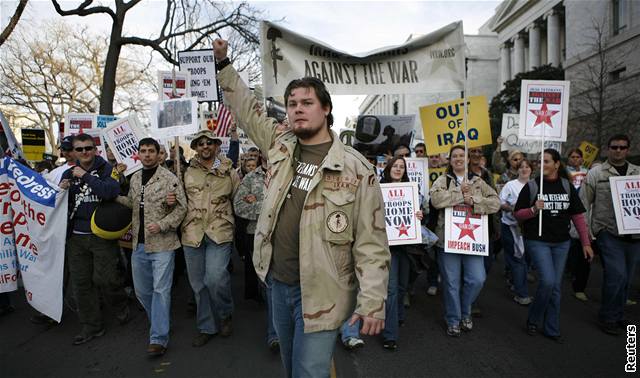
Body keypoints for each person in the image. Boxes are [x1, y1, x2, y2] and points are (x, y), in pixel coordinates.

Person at [215, 38, 389, 378]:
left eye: (307, 102)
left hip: (323, 290)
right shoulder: (279, 145)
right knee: (291, 364)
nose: (297, 108)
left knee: (307, 372)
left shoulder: (356, 170)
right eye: (292, 102)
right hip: (278, 284)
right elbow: (247, 111)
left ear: (325, 109)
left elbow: (372, 244)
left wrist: (372, 303)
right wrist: (224, 66)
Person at [514, 148, 593, 343]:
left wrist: (585, 242)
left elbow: (578, 217)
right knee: (548, 281)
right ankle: (533, 318)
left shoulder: (566, 186)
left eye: (546, 161)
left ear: (557, 164)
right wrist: (533, 209)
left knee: (555, 287)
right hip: (537, 240)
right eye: (540, 162)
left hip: (561, 243)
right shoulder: (532, 186)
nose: (542, 165)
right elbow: (518, 214)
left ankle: (551, 328)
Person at [116, 138, 186, 357]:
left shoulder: (169, 178)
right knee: (143, 292)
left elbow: (181, 209)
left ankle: (158, 337)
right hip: (138, 246)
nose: (146, 155)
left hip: (163, 245)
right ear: (138, 154)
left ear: (158, 154)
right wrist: (113, 197)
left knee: (160, 291)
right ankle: (160, 320)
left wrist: (163, 224)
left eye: (151, 151)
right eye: (143, 151)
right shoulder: (135, 178)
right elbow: (133, 203)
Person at [59, 133, 130, 345]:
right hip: (76, 238)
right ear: (73, 152)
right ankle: (91, 326)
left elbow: (110, 191)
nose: (84, 152)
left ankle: (120, 303)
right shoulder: (68, 172)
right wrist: (61, 190)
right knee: (81, 283)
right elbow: (59, 205)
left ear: (95, 149)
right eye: (79, 149)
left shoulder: (106, 169)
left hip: (101, 235)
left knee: (105, 279)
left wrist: (86, 176)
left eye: (88, 148)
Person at [430, 145, 500, 337]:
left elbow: (495, 203)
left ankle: (465, 309)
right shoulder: (442, 180)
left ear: (468, 159)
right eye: (455, 156)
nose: (459, 159)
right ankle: (453, 319)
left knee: (477, 279)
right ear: (450, 160)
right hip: (447, 240)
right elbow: (435, 200)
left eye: (462, 155)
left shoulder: (478, 181)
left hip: (473, 240)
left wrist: (474, 201)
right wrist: (460, 194)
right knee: (451, 282)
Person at [181, 129, 240, 347]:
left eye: (209, 143)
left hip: (220, 231)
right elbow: (179, 201)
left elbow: (240, 199)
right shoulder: (186, 172)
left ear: (216, 146)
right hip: (192, 233)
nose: (205, 147)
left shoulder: (228, 171)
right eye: (200, 143)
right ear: (195, 148)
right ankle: (206, 326)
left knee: (215, 279)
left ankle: (225, 313)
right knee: (198, 286)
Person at [579, 134, 640, 335]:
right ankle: (607, 316)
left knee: (627, 278)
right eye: (614, 147)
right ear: (608, 149)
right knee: (616, 274)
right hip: (608, 232)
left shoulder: (637, 173)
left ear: (628, 150)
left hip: (634, 235)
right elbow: (584, 205)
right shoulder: (596, 173)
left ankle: (619, 313)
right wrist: (586, 235)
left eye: (623, 147)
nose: (618, 150)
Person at [233, 155, 278, 351]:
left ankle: (275, 333)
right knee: (266, 280)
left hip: (282, 236)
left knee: (274, 284)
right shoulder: (251, 178)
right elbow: (240, 207)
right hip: (256, 235)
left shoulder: (291, 173)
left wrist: (257, 203)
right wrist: (269, 209)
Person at [379, 156, 423, 350]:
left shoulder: (412, 189)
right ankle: (390, 334)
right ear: (388, 168)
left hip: (407, 247)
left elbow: (422, 211)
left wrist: (419, 214)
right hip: (387, 247)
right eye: (395, 166)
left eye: (402, 167)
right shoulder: (378, 189)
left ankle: (398, 316)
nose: (398, 169)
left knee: (402, 286)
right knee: (391, 288)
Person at [499, 159, 533, 305]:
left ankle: (514, 280)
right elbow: (500, 202)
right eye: (521, 167)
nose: (524, 169)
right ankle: (522, 294)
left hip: (530, 229)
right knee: (518, 259)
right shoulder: (510, 185)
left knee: (526, 259)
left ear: (531, 169)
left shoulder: (536, 186)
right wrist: (512, 209)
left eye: (527, 166)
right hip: (511, 226)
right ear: (517, 170)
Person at [565, 148, 591, 302]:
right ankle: (569, 266)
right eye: (572, 156)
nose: (575, 159)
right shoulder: (565, 173)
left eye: (577, 157)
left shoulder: (588, 173)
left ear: (582, 159)